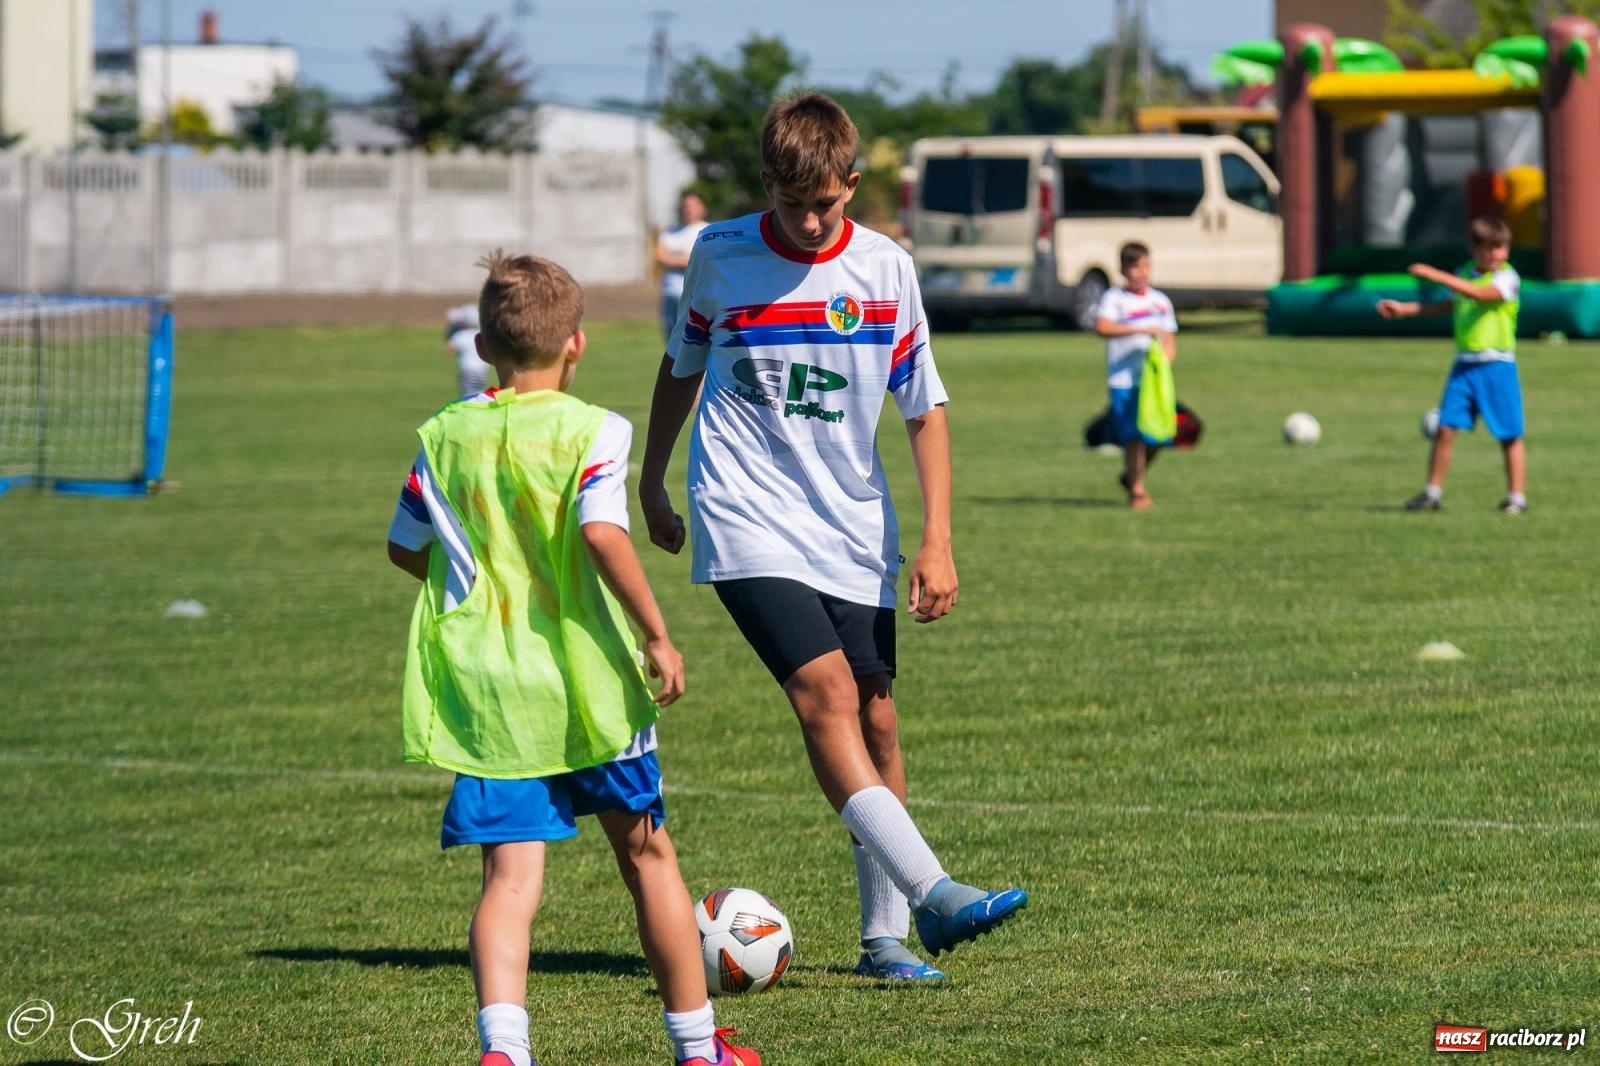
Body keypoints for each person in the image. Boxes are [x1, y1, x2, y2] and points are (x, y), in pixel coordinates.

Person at [638, 91, 1028, 986]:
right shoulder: (720, 254)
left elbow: (923, 407)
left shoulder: (886, 268)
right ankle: (936, 892)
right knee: (825, 694)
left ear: (852, 184)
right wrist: (653, 479)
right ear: (766, 185)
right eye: (792, 203)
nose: (810, 222)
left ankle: (884, 941)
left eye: (826, 203)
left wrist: (938, 540)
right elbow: (680, 365)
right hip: (743, 511)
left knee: (878, 721)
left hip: (851, 522)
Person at [387, 252, 759, 1066]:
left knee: (509, 881)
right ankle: (700, 1049)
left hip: (491, 694)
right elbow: (599, 531)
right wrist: (656, 633)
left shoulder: (442, 437)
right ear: (576, 344)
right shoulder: (594, 429)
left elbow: (404, 546)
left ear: (482, 346)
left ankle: (505, 1049)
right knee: (648, 858)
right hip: (591, 686)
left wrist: (480, 588)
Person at [1378, 215, 1527, 515]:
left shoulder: (1507, 278)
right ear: (1474, 249)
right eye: (1489, 248)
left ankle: (1516, 498)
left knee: (1509, 434)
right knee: (1445, 428)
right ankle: (1432, 494)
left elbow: (1481, 295)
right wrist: (1405, 309)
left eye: (1501, 248)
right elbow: (1446, 306)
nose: (1496, 254)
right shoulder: (1464, 274)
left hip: (1497, 366)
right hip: (1464, 366)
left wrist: (1436, 275)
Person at [1094, 242, 1178, 511]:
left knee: (1160, 435)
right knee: (1134, 437)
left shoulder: (1160, 302)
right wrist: (1138, 330)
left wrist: (1164, 364)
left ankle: (1130, 477)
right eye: (1135, 267)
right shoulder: (1115, 298)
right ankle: (1137, 491)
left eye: (1145, 266)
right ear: (1123, 270)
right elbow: (1102, 327)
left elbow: (1169, 340)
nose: (1141, 272)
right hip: (1123, 379)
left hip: (1153, 382)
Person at [655, 192, 709, 340]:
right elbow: (659, 256)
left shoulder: (708, 231)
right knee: (671, 338)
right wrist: (686, 259)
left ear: (703, 208)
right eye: (685, 206)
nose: (688, 209)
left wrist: (674, 258)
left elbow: (700, 260)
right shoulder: (670, 231)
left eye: (693, 206)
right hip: (670, 293)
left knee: (695, 340)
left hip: (696, 295)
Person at [444, 302, 490, 399]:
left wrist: (450, 332)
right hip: (482, 370)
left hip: (467, 370)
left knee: (467, 395)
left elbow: (449, 350)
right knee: (479, 394)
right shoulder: (480, 333)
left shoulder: (460, 335)